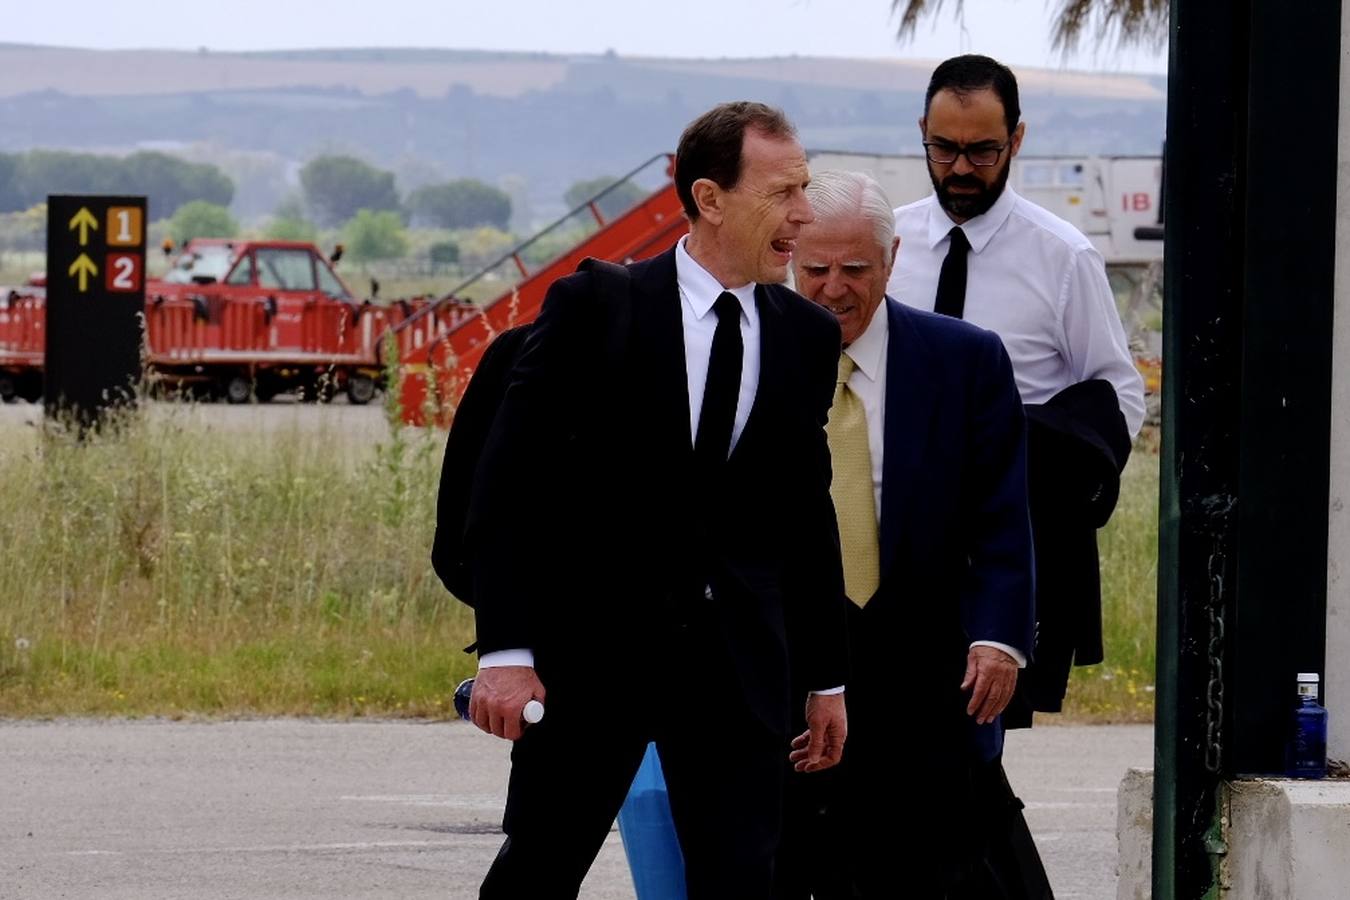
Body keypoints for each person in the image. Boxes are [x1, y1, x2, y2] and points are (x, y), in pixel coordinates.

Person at [461, 101, 850, 900]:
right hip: (592, 661)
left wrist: (826, 677)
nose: (803, 214)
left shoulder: (806, 337)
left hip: (738, 674)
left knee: (742, 880)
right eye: (782, 193)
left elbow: (805, 515)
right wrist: (505, 652)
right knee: (537, 869)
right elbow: (506, 489)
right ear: (710, 199)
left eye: (804, 189)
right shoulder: (597, 308)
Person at [774, 169, 1036, 898]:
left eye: (855, 269)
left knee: (935, 875)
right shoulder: (755, 354)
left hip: (929, 678)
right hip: (796, 673)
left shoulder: (964, 360)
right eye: (815, 268)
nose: (833, 288)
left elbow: (1001, 516)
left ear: (892, 262)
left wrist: (999, 637)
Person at [888, 54, 1146, 721]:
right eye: (943, 149)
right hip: (894, 544)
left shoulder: (1063, 258)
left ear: (1017, 140)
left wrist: (1038, 457)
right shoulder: (887, 246)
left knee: (982, 743)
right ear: (922, 131)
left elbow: (1118, 395)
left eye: (983, 150)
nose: (963, 169)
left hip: (1004, 542)